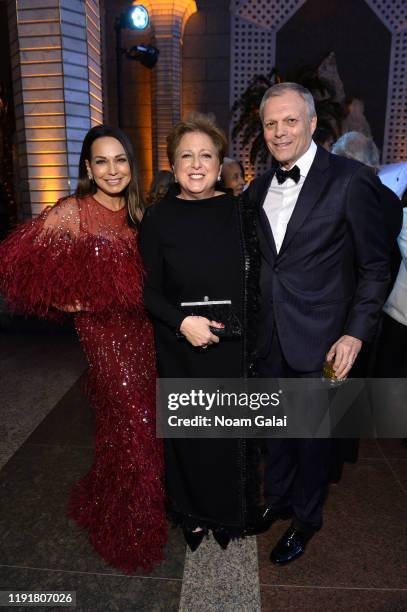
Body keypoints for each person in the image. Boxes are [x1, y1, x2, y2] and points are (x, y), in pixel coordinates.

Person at [0, 125, 167, 573]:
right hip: (104, 337)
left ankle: (126, 503)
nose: (112, 170)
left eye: (120, 160)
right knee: (136, 420)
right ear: (89, 169)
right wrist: (72, 302)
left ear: (131, 165)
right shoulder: (74, 212)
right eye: (102, 161)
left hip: (146, 334)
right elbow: (19, 265)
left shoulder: (142, 214)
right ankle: (131, 526)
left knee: (138, 423)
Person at [245, 83, 390, 564]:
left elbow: (375, 265)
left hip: (325, 341)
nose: (279, 131)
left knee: (312, 442)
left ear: (312, 124)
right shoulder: (258, 188)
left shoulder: (349, 180)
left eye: (290, 121)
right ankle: (279, 500)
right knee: (277, 433)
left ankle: (306, 520)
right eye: (270, 123)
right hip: (269, 337)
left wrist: (355, 333)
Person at [139, 113, 260, 551]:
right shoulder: (158, 217)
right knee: (189, 436)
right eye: (186, 155)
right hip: (179, 344)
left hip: (231, 343)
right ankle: (190, 514)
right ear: (172, 164)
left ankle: (225, 515)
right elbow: (145, 289)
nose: (196, 164)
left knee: (224, 435)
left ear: (220, 162)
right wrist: (182, 323)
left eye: (205, 155)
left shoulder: (240, 211)